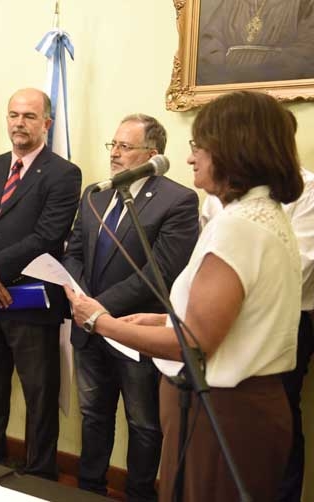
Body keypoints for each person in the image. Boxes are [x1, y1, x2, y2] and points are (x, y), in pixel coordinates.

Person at [64, 90, 304, 502]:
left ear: (234, 150)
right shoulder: (263, 213)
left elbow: (192, 343)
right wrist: (161, 319)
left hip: (223, 412)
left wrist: (100, 322)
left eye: (199, 146)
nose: (191, 158)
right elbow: (239, 316)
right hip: (245, 407)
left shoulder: (238, 227)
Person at [62, 114, 199, 499]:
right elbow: (73, 252)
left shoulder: (178, 201)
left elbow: (161, 273)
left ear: (152, 155)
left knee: (143, 425)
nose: (115, 153)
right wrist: (80, 299)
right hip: (88, 330)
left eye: (125, 147)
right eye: (114, 145)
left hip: (137, 332)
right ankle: (88, 490)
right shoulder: (95, 194)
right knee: (93, 416)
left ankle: (139, 494)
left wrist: (98, 309)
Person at [0, 88, 81, 479]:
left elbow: (47, 236)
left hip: (32, 303)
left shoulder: (64, 173)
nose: (19, 123)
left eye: (29, 116)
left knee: (39, 396)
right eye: (13, 115)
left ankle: (39, 476)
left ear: (46, 123)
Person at [199, 113, 314, 502]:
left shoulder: (305, 191)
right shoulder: (221, 191)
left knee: (269, 425)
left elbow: (298, 266)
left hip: (277, 319)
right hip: (217, 320)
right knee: (224, 430)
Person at [197, 0, 314, 84]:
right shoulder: (231, 3)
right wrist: (225, 75)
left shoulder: (304, 3)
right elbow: (210, 42)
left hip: (274, 84)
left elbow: (305, 51)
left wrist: (258, 74)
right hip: (230, 87)